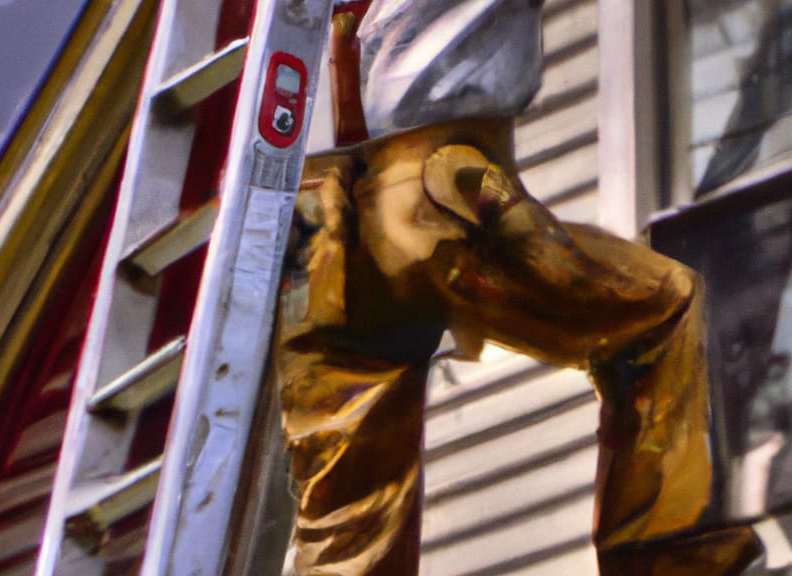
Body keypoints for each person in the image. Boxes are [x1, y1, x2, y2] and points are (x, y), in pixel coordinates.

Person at [272, 1, 762, 573]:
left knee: (350, 513)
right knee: (660, 307)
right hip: (441, 180)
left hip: (317, 226)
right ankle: (664, 560)